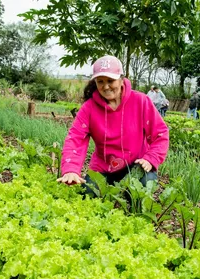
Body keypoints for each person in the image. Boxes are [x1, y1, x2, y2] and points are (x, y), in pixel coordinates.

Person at [56, 55, 169, 193]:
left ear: (121, 79)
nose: (106, 86)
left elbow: (160, 133)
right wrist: (71, 170)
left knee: (140, 191)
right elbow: (76, 138)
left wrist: (151, 158)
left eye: (110, 80)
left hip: (136, 165)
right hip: (103, 168)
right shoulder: (89, 108)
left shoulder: (140, 101)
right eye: (100, 81)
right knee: (89, 193)